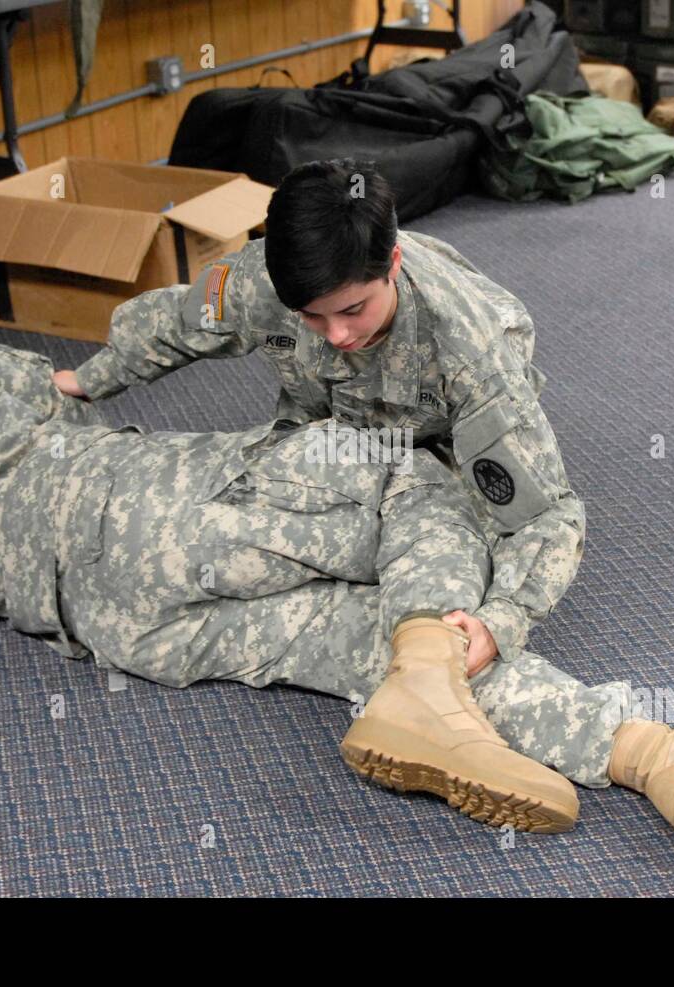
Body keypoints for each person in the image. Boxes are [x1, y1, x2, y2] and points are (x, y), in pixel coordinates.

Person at [0, 332, 674, 856]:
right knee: (409, 473)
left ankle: (659, 763)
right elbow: (59, 393)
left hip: (112, 624)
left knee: (377, 640)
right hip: (130, 501)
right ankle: (640, 743)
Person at [54, 158, 585, 799]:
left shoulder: (474, 360)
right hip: (330, 439)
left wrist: (504, 619)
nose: (336, 335)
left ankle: (446, 697)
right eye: (311, 317)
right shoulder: (265, 277)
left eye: (353, 310)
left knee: (453, 557)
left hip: (438, 451)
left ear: (392, 266)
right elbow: (179, 322)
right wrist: (90, 380)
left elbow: (547, 514)